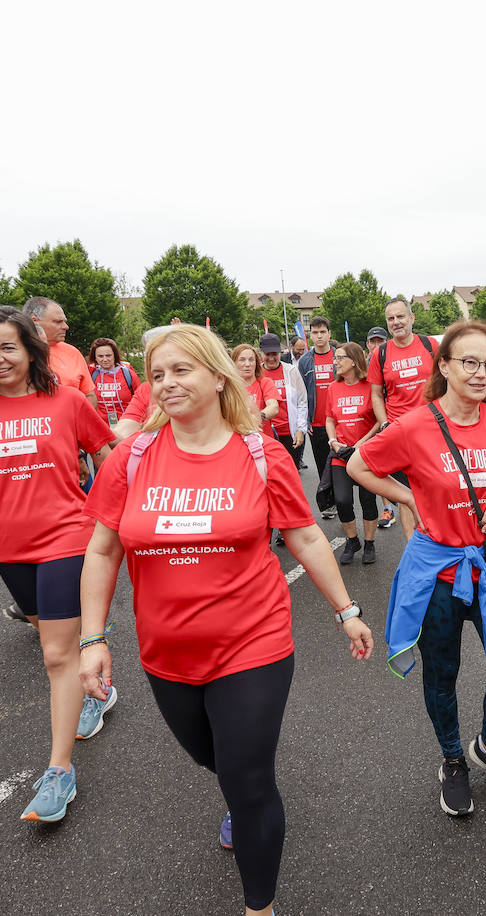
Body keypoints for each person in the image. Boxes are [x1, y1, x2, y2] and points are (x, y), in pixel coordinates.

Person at [79, 325, 373, 916]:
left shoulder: (260, 455)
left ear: (219, 377)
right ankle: (239, 787)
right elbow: (103, 550)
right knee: (209, 755)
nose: (167, 384)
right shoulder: (131, 461)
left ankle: (259, 904)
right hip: (167, 652)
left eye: (182, 370)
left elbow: (306, 537)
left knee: (248, 776)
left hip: (253, 643)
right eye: (158, 374)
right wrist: (92, 638)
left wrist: (347, 610)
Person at [348, 320, 486, 817]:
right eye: (470, 362)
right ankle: (453, 759)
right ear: (445, 366)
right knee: (443, 675)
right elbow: (358, 464)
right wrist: (407, 496)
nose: (482, 373)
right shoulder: (416, 424)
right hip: (436, 572)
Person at [0, 305, 116, 822]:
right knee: (58, 637)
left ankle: (59, 772)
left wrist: (107, 528)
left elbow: (108, 461)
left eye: (7, 347)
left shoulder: (68, 400)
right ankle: (97, 671)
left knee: (56, 655)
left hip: (67, 539)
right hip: (8, 549)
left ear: (31, 348)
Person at [368, 297, 436, 538]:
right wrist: (385, 423)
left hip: (433, 429)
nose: (396, 322)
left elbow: (448, 381)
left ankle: (439, 537)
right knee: (408, 491)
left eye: (400, 316)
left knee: (437, 486)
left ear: (412, 318)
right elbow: (376, 394)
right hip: (400, 431)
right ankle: (412, 547)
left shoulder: (430, 345)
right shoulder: (380, 354)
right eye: (391, 318)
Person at [325, 342, 380, 565]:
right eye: (335, 358)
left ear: (354, 361)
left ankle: (369, 543)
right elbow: (330, 419)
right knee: (342, 500)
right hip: (340, 452)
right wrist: (333, 441)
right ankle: (352, 540)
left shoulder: (370, 386)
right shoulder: (333, 388)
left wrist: (362, 442)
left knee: (368, 499)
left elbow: (379, 419)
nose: (335, 362)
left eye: (339, 358)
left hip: (365, 453)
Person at [293, 316, 339, 520]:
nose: (319, 336)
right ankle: (329, 502)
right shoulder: (304, 361)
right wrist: (304, 422)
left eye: (323, 332)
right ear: (310, 335)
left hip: (340, 422)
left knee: (341, 463)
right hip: (317, 424)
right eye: (315, 332)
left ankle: (342, 499)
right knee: (323, 464)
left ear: (329, 334)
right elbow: (300, 395)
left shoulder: (340, 356)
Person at [22, 297, 96, 406]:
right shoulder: (13, 353)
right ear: (34, 322)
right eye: (58, 322)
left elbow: (90, 395)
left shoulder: (72, 352)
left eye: (64, 322)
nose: (66, 327)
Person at [257, 333, 307, 469]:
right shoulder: (256, 374)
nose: (272, 358)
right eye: (268, 354)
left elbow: (302, 402)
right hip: (265, 435)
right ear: (261, 353)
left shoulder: (291, 371)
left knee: (291, 475)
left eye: (275, 354)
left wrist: (300, 429)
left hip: (289, 434)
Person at [365, 326, 397, 529]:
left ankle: (394, 505)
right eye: (373, 342)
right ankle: (388, 507)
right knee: (376, 467)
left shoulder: (389, 359)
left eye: (380, 341)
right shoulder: (363, 362)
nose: (376, 345)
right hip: (368, 418)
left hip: (387, 418)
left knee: (388, 467)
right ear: (368, 344)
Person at [88, 337, 140, 425]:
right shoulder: (91, 374)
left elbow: (141, 399)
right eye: (100, 356)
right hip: (101, 427)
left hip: (127, 425)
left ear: (114, 355)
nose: (104, 359)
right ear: (95, 358)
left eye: (108, 355)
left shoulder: (128, 374)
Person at [230, 343, 280, 426]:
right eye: (242, 360)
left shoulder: (265, 383)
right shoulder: (229, 387)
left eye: (251, 360)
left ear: (256, 363)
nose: (247, 364)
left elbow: (273, 407)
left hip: (263, 436)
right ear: (234, 363)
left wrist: (257, 418)